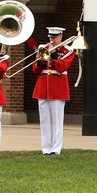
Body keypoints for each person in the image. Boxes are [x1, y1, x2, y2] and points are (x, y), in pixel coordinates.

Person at [33, 26, 75, 155]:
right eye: (50, 37)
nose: (52, 40)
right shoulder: (43, 48)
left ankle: (56, 149)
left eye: (54, 37)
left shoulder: (68, 50)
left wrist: (54, 54)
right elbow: (35, 70)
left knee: (57, 121)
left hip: (58, 87)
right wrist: (39, 61)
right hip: (43, 87)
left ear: (61, 37)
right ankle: (45, 148)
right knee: (44, 121)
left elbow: (62, 67)